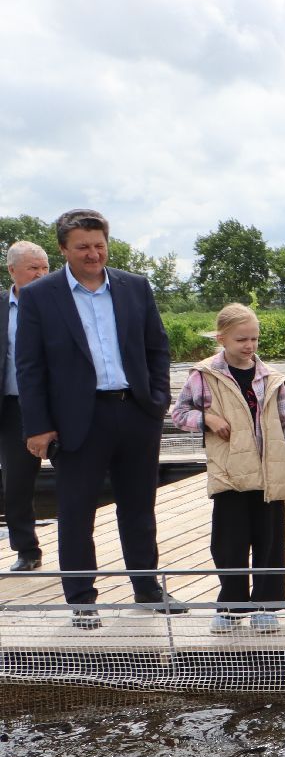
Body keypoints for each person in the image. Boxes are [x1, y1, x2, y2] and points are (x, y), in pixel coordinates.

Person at [15, 209, 182, 626]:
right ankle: (82, 600)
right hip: (76, 420)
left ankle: (147, 588)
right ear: (63, 249)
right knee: (76, 512)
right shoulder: (40, 295)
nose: (93, 254)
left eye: (99, 245)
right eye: (83, 247)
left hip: (135, 411)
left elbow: (157, 348)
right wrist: (38, 425)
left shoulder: (134, 287)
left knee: (139, 507)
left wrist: (157, 401)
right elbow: (30, 367)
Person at [172, 303, 285, 634]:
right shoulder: (204, 375)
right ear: (222, 339)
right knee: (229, 544)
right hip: (230, 475)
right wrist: (207, 418)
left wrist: (282, 458)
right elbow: (179, 413)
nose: (249, 346)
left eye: (254, 339)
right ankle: (231, 607)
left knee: (270, 543)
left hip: (268, 477)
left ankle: (266, 607)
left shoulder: (271, 378)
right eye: (241, 340)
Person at [2, 240, 50, 571]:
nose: (41, 274)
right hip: (13, 407)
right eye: (33, 268)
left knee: (77, 477)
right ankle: (27, 551)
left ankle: (78, 545)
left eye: (45, 268)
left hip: (58, 405)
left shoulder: (59, 304)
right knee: (16, 481)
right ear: (12, 271)